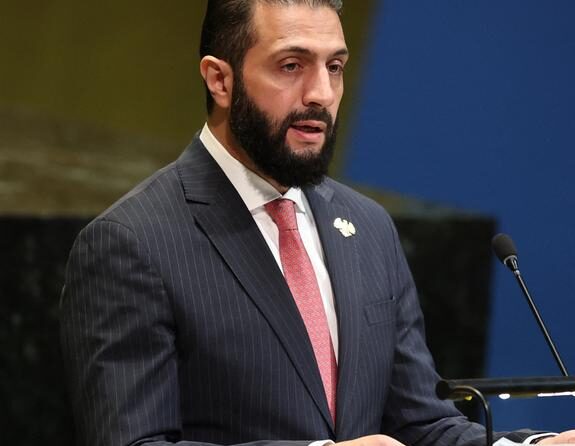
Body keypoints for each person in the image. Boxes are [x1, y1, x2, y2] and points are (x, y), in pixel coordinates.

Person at [60, 1, 575, 446]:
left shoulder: (368, 227)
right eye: (291, 66)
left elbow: (422, 424)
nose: (322, 93)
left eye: (335, 66)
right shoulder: (130, 243)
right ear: (220, 79)